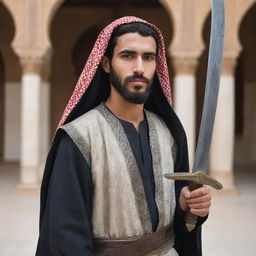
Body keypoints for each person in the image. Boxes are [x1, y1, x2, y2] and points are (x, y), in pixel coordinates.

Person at [36, 16, 211, 256]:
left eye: (148, 57)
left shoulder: (169, 133)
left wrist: (188, 208)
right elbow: (66, 237)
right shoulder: (79, 138)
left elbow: (181, 226)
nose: (139, 67)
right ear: (106, 63)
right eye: (128, 56)